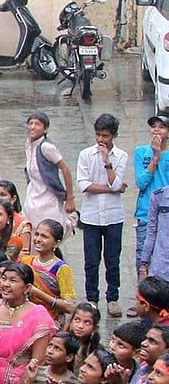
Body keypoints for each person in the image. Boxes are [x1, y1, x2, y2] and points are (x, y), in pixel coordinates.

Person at [0, 261, 55, 384]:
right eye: (3, 278)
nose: (5, 284)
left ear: (27, 288)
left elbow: (37, 362)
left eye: (13, 280)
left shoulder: (38, 314)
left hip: (20, 382)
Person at [76, 113, 129, 317]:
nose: (100, 140)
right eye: (98, 135)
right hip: (91, 216)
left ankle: (112, 297)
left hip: (114, 216)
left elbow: (117, 183)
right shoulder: (85, 155)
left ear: (113, 136)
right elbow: (84, 184)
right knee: (91, 260)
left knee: (113, 259)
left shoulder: (121, 156)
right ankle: (92, 298)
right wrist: (112, 189)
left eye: (105, 136)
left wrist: (107, 162)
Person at [131, 115, 169, 316]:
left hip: (165, 215)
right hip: (146, 213)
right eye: (153, 127)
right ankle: (143, 300)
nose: (156, 131)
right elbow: (141, 181)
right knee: (142, 258)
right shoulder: (141, 152)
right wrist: (154, 157)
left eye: (162, 127)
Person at [24, 112, 77, 231]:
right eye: (30, 123)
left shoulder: (46, 147)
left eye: (37, 124)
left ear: (45, 129)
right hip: (33, 194)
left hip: (48, 196)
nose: (32, 127)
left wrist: (69, 198)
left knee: (49, 231)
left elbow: (65, 169)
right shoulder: (29, 145)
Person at [7, 331, 80, 384]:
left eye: (57, 348)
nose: (50, 351)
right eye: (50, 345)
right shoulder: (37, 372)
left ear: (69, 357)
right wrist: (29, 382)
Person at [21, 219, 76, 324]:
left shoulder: (62, 268)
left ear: (57, 243)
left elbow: (70, 307)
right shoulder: (26, 261)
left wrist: (38, 293)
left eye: (44, 236)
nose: (38, 239)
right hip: (25, 317)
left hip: (51, 320)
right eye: (36, 234)